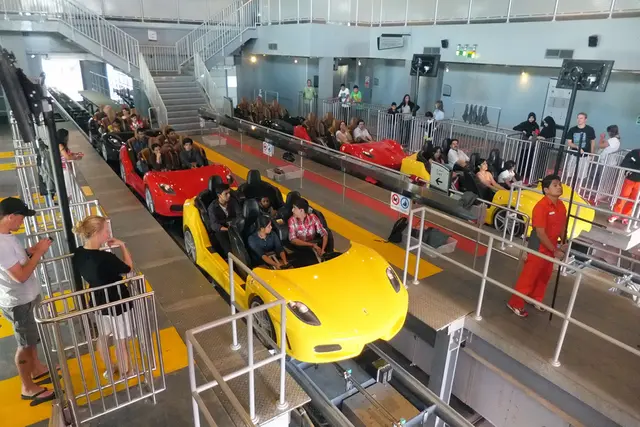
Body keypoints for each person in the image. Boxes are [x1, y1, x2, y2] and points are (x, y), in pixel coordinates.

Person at [0, 197, 55, 406]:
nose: (22, 222)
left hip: (26, 297)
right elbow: (20, 276)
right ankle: (28, 387)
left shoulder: (6, 235)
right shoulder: (1, 244)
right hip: (18, 302)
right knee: (24, 344)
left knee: (31, 339)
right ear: (10, 216)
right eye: (21, 218)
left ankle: (37, 368)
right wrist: (38, 253)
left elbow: (14, 261)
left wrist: (29, 252)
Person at [72, 215, 134, 379]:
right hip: (117, 301)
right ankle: (126, 372)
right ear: (95, 233)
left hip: (98, 300)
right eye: (106, 231)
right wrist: (122, 246)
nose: (108, 234)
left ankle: (110, 367)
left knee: (103, 336)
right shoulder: (106, 258)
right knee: (120, 340)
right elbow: (128, 268)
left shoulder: (78, 253)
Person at [507, 175, 566, 317]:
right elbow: (540, 233)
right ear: (546, 190)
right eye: (555, 185)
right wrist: (555, 250)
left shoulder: (561, 206)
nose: (559, 187)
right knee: (529, 276)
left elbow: (562, 226)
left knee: (544, 275)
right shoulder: (541, 207)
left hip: (551, 246)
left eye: (559, 184)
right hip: (538, 246)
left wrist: (564, 241)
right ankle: (515, 303)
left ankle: (535, 298)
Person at [288, 198, 328, 266]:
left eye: (294, 208)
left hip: (313, 245)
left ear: (301, 210)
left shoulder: (313, 217)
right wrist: (312, 245)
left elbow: (324, 233)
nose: (292, 210)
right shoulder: (292, 220)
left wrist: (322, 250)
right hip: (300, 247)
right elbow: (293, 240)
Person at [207, 184, 241, 257]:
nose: (229, 195)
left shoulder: (233, 202)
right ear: (219, 195)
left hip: (234, 225)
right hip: (222, 229)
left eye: (229, 193)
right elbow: (214, 225)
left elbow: (239, 215)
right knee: (222, 237)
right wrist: (227, 229)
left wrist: (235, 225)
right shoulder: (212, 207)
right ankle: (230, 257)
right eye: (226, 194)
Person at [608, 148, 640, 224]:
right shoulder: (634, 152)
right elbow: (625, 163)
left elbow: (630, 164)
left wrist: (634, 165)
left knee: (633, 200)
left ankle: (626, 216)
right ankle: (615, 214)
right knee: (623, 197)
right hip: (630, 179)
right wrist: (633, 170)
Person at [565, 112, 596, 183]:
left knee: (582, 174)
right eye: (578, 118)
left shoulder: (590, 129)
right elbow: (569, 142)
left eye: (581, 118)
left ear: (585, 119)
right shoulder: (572, 129)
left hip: (585, 155)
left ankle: (578, 187)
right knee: (570, 172)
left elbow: (592, 142)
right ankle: (569, 185)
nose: (579, 120)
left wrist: (592, 153)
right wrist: (577, 147)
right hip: (574, 154)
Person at [58, 128, 84, 201]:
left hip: (67, 168)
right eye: (66, 136)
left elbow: (68, 155)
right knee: (68, 188)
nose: (67, 138)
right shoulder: (60, 145)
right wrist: (76, 157)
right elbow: (67, 157)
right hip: (64, 169)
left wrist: (75, 154)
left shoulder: (62, 145)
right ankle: (68, 202)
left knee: (70, 187)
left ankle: (70, 200)